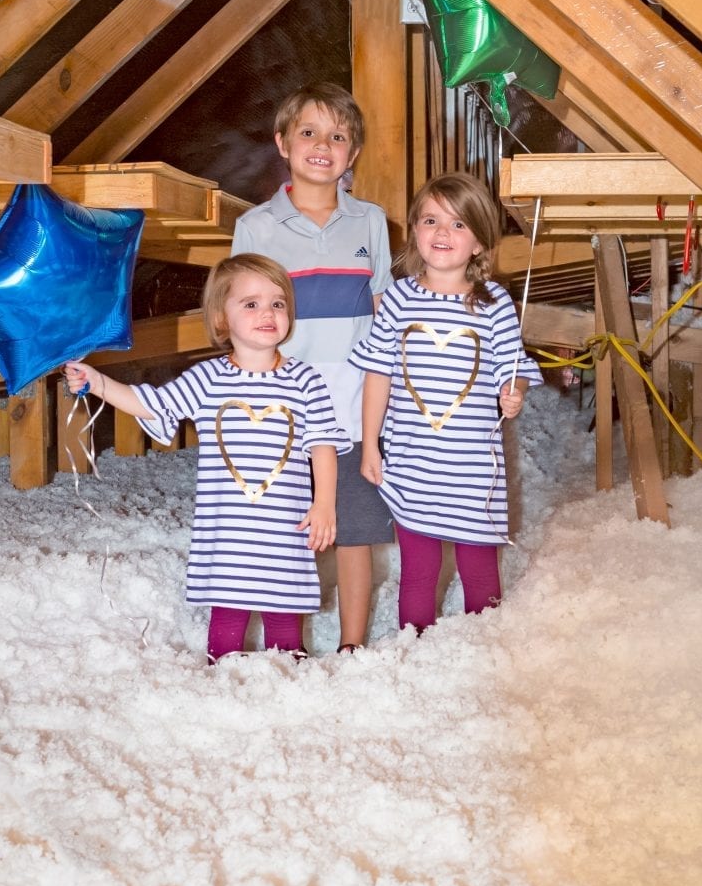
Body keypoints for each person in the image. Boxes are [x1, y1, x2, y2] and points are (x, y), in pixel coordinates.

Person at [64, 254, 346, 663]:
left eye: (278, 303)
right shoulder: (208, 378)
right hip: (226, 526)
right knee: (228, 616)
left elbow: (322, 445)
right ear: (220, 319)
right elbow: (152, 404)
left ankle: (291, 691)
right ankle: (220, 682)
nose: (267, 312)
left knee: (285, 616)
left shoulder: (306, 379)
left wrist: (324, 505)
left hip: (286, 525)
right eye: (250, 304)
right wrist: (98, 381)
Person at [231, 83, 393, 653]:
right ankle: (285, 645)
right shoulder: (256, 228)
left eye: (338, 136)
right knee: (281, 534)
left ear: (352, 154)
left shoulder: (370, 221)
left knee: (354, 532)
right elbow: (242, 313)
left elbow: (384, 309)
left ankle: (352, 645)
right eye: (308, 132)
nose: (322, 145)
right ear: (282, 142)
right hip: (283, 415)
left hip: (353, 412)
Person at [350, 172, 541, 633]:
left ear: (478, 242)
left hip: (473, 467)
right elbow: (377, 374)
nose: (442, 233)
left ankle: (482, 648)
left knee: (480, 570)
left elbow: (509, 370)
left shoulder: (494, 302)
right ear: (415, 229)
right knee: (419, 571)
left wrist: (513, 393)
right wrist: (371, 446)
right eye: (431, 220)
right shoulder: (397, 298)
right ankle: (414, 651)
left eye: (458, 225)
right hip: (412, 462)